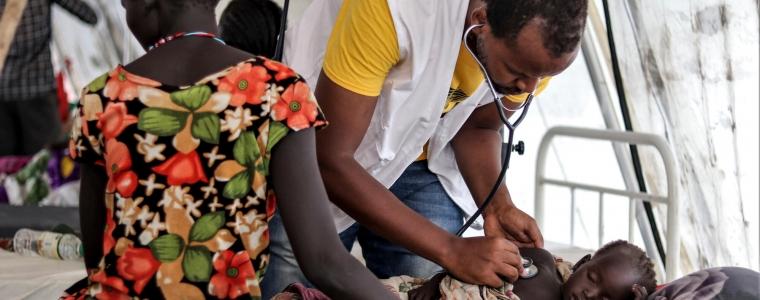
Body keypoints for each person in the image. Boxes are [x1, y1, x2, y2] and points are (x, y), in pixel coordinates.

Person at [61, 0, 394, 298]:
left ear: (148, 4)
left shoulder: (103, 98)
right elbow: (325, 262)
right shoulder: (277, 92)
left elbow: (97, 259)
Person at [264, 0, 588, 297]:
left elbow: (479, 126)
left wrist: (498, 206)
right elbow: (330, 160)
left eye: (542, 77)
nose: (529, 88)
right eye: (518, 73)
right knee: (291, 280)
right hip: (316, 148)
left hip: (421, 158)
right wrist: (450, 249)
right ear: (481, 21)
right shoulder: (393, 9)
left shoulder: (536, 49)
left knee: (429, 285)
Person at [385, 240, 658, 300]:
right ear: (583, 263)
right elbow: (473, 265)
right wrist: (436, 282)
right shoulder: (541, 261)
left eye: (605, 299)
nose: (590, 294)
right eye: (593, 278)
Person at [0, 0, 97, 156]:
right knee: (47, 163)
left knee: (7, 166)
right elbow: (90, 16)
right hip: (38, 90)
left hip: (3, 92)